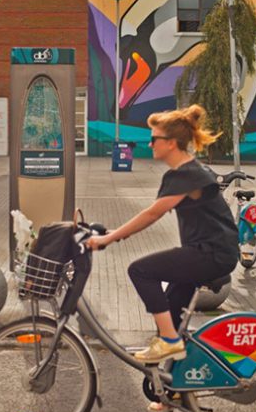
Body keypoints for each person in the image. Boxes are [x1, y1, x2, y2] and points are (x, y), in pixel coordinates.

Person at [87, 105, 238, 364]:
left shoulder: (186, 174)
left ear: (170, 143)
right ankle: (174, 389)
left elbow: (152, 214)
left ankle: (169, 342)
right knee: (169, 311)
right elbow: (152, 214)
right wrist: (117, 233)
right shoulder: (186, 173)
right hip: (212, 251)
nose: (150, 143)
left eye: (154, 138)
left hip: (211, 254)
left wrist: (108, 239)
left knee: (141, 270)